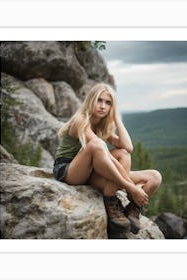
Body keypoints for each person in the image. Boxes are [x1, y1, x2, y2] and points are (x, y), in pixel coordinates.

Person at [53, 83, 162, 235]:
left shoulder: (101, 126)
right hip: (69, 171)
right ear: (91, 100)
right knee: (98, 144)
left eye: (108, 103)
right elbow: (97, 147)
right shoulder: (80, 120)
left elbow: (128, 147)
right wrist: (131, 187)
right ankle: (113, 199)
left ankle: (131, 210)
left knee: (153, 176)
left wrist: (117, 118)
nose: (103, 106)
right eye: (99, 100)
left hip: (92, 173)